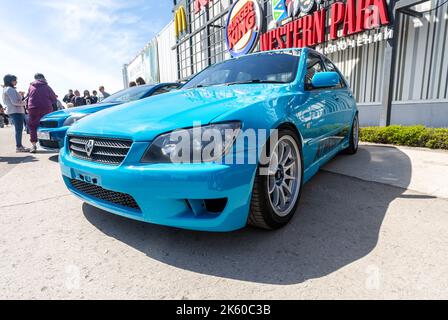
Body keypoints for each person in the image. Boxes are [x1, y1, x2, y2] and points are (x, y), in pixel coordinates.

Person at [27, 73, 57, 153]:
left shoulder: (31, 86)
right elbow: (54, 99)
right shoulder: (46, 87)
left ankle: (33, 145)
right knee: (46, 125)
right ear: (43, 78)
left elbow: (28, 96)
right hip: (46, 107)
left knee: (33, 126)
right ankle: (49, 144)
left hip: (33, 107)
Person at [2, 75, 29, 152]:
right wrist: (25, 102)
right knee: (19, 130)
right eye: (15, 80)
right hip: (16, 111)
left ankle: (19, 146)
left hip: (13, 111)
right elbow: (15, 102)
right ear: (10, 80)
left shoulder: (6, 89)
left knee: (19, 130)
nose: (16, 81)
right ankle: (19, 147)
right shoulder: (10, 89)